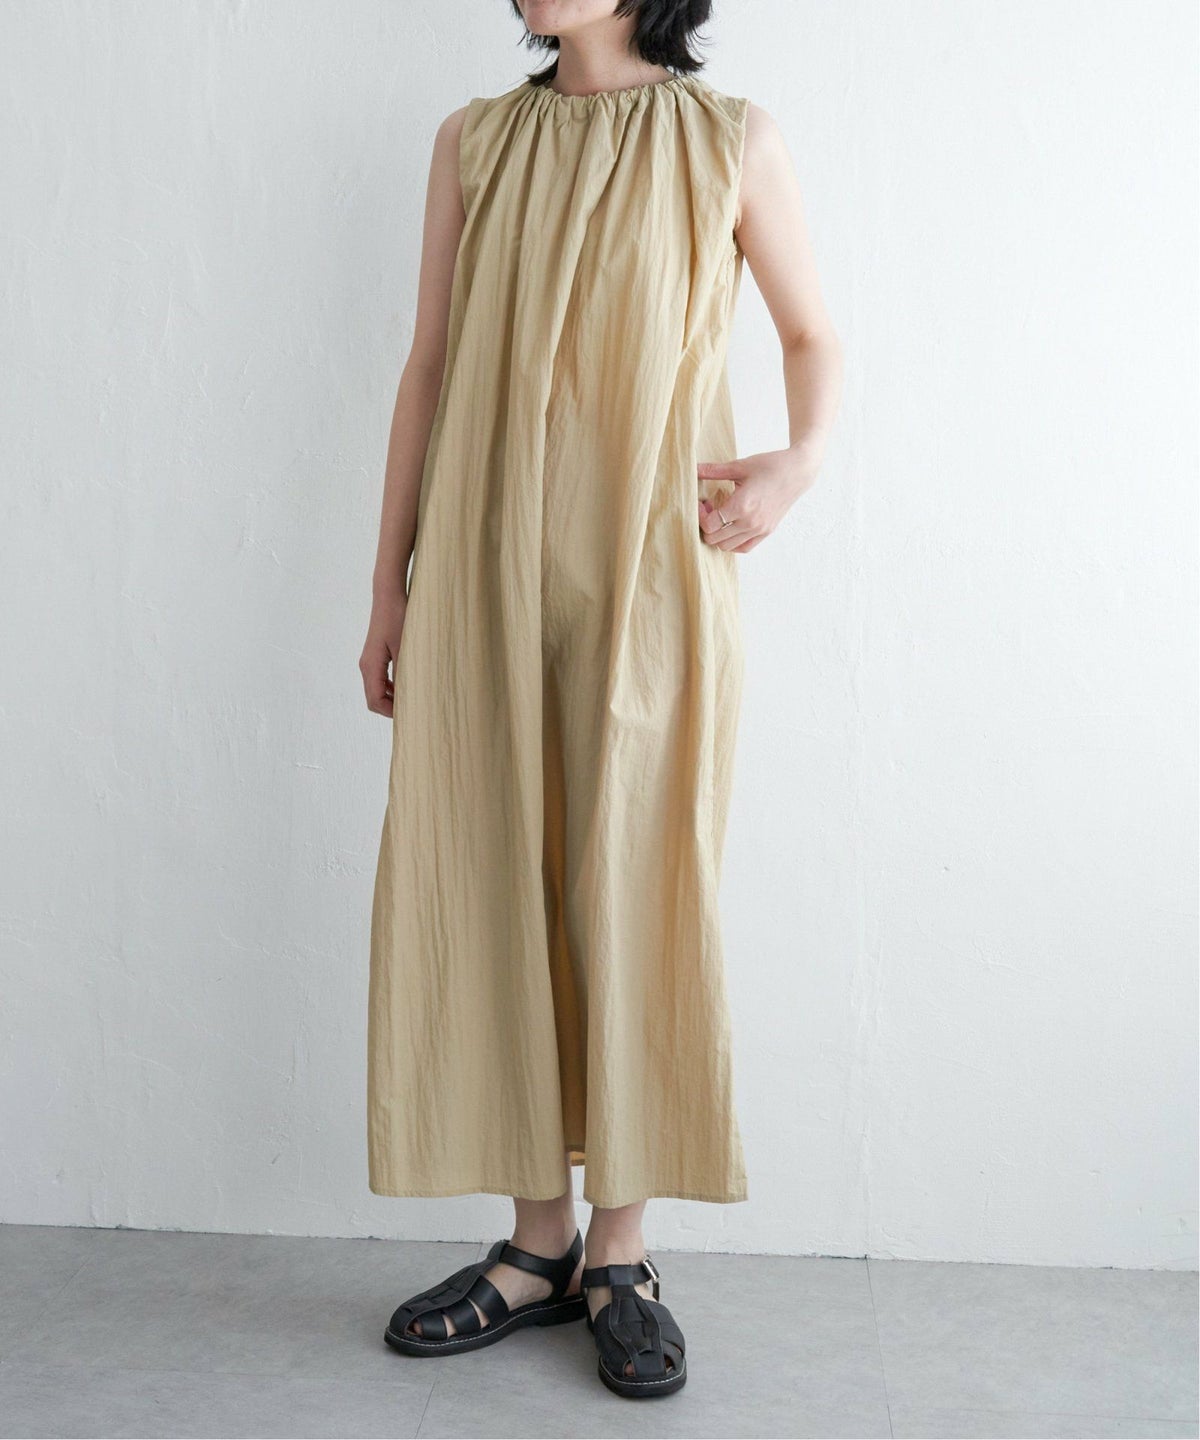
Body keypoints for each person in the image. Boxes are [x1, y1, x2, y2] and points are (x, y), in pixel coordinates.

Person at [359, 0, 842, 1399]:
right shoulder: (475, 142)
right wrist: (389, 589)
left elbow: (812, 334)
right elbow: (431, 363)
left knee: (632, 882)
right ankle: (536, 1245)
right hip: (480, 567)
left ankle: (621, 1253)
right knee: (494, 873)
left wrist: (793, 465)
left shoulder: (729, 142)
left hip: (650, 577)